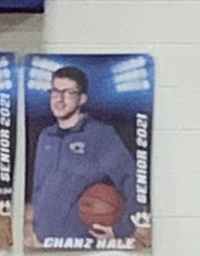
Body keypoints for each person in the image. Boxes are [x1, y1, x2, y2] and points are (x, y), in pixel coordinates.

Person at [30, 66, 138, 242]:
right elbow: (40, 188)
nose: (60, 99)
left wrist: (122, 228)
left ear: (82, 99)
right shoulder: (45, 136)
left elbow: (132, 180)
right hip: (45, 242)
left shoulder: (99, 135)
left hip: (82, 243)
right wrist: (38, 227)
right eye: (55, 92)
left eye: (69, 93)